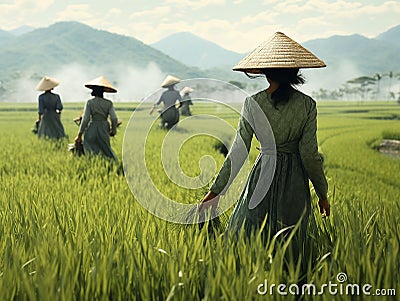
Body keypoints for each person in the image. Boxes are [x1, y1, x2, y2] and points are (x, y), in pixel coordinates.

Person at [199, 32, 330, 242]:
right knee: (292, 241)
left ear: (266, 73)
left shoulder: (253, 103)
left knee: (252, 238)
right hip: (294, 179)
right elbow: (309, 154)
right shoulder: (307, 105)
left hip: (263, 174)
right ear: (294, 71)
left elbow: (239, 151)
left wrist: (216, 193)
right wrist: (322, 194)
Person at [74, 76, 119, 161]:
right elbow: (114, 118)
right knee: (106, 150)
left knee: (90, 151)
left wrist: (79, 135)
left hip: (92, 127)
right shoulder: (109, 103)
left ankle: (93, 165)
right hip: (104, 128)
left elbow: (86, 118)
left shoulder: (90, 102)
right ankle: (111, 164)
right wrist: (113, 131)